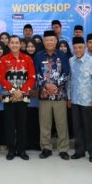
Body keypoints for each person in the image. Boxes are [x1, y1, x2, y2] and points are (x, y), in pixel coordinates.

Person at [35, 30, 71, 160]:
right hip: (44, 95)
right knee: (45, 123)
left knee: (61, 123)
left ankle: (63, 149)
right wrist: (45, 85)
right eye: (46, 40)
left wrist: (55, 85)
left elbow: (66, 73)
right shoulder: (38, 56)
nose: (49, 42)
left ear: (56, 41)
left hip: (59, 95)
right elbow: (36, 73)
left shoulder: (62, 55)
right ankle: (46, 148)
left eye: (51, 40)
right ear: (43, 42)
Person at [0, 35, 35, 160]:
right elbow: (1, 78)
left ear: (20, 44)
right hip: (9, 96)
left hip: (23, 96)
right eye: (12, 43)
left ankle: (22, 149)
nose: (14, 45)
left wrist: (21, 92)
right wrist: (14, 91)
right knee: (9, 124)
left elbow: (32, 78)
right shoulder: (3, 59)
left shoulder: (27, 59)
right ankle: (11, 150)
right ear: (8, 45)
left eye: (16, 43)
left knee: (22, 124)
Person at [68, 36, 92, 162]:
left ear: (85, 47)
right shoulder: (71, 61)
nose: (77, 50)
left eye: (80, 47)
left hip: (88, 100)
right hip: (75, 100)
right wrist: (69, 97)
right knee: (77, 127)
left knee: (90, 127)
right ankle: (79, 151)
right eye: (75, 48)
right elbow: (69, 80)